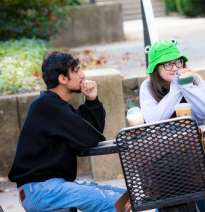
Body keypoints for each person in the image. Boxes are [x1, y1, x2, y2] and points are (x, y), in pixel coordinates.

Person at [8, 51, 126, 212]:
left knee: (126, 196)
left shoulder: (56, 106)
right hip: (40, 190)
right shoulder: (48, 106)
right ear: (62, 78)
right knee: (114, 203)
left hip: (49, 188)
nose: (83, 75)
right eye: (76, 71)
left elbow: (87, 136)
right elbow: (89, 137)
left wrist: (91, 100)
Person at [140, 39, 205, 212]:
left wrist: (188, 87)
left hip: (203, 155)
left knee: (200, 181)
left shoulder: (196, 81)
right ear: (156, 69)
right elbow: (153, 120)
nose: (175, 67)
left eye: (177, 62)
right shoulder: (148, 87)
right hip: (164, 161)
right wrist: (176, 89)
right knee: (166, 188)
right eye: (167, 64)